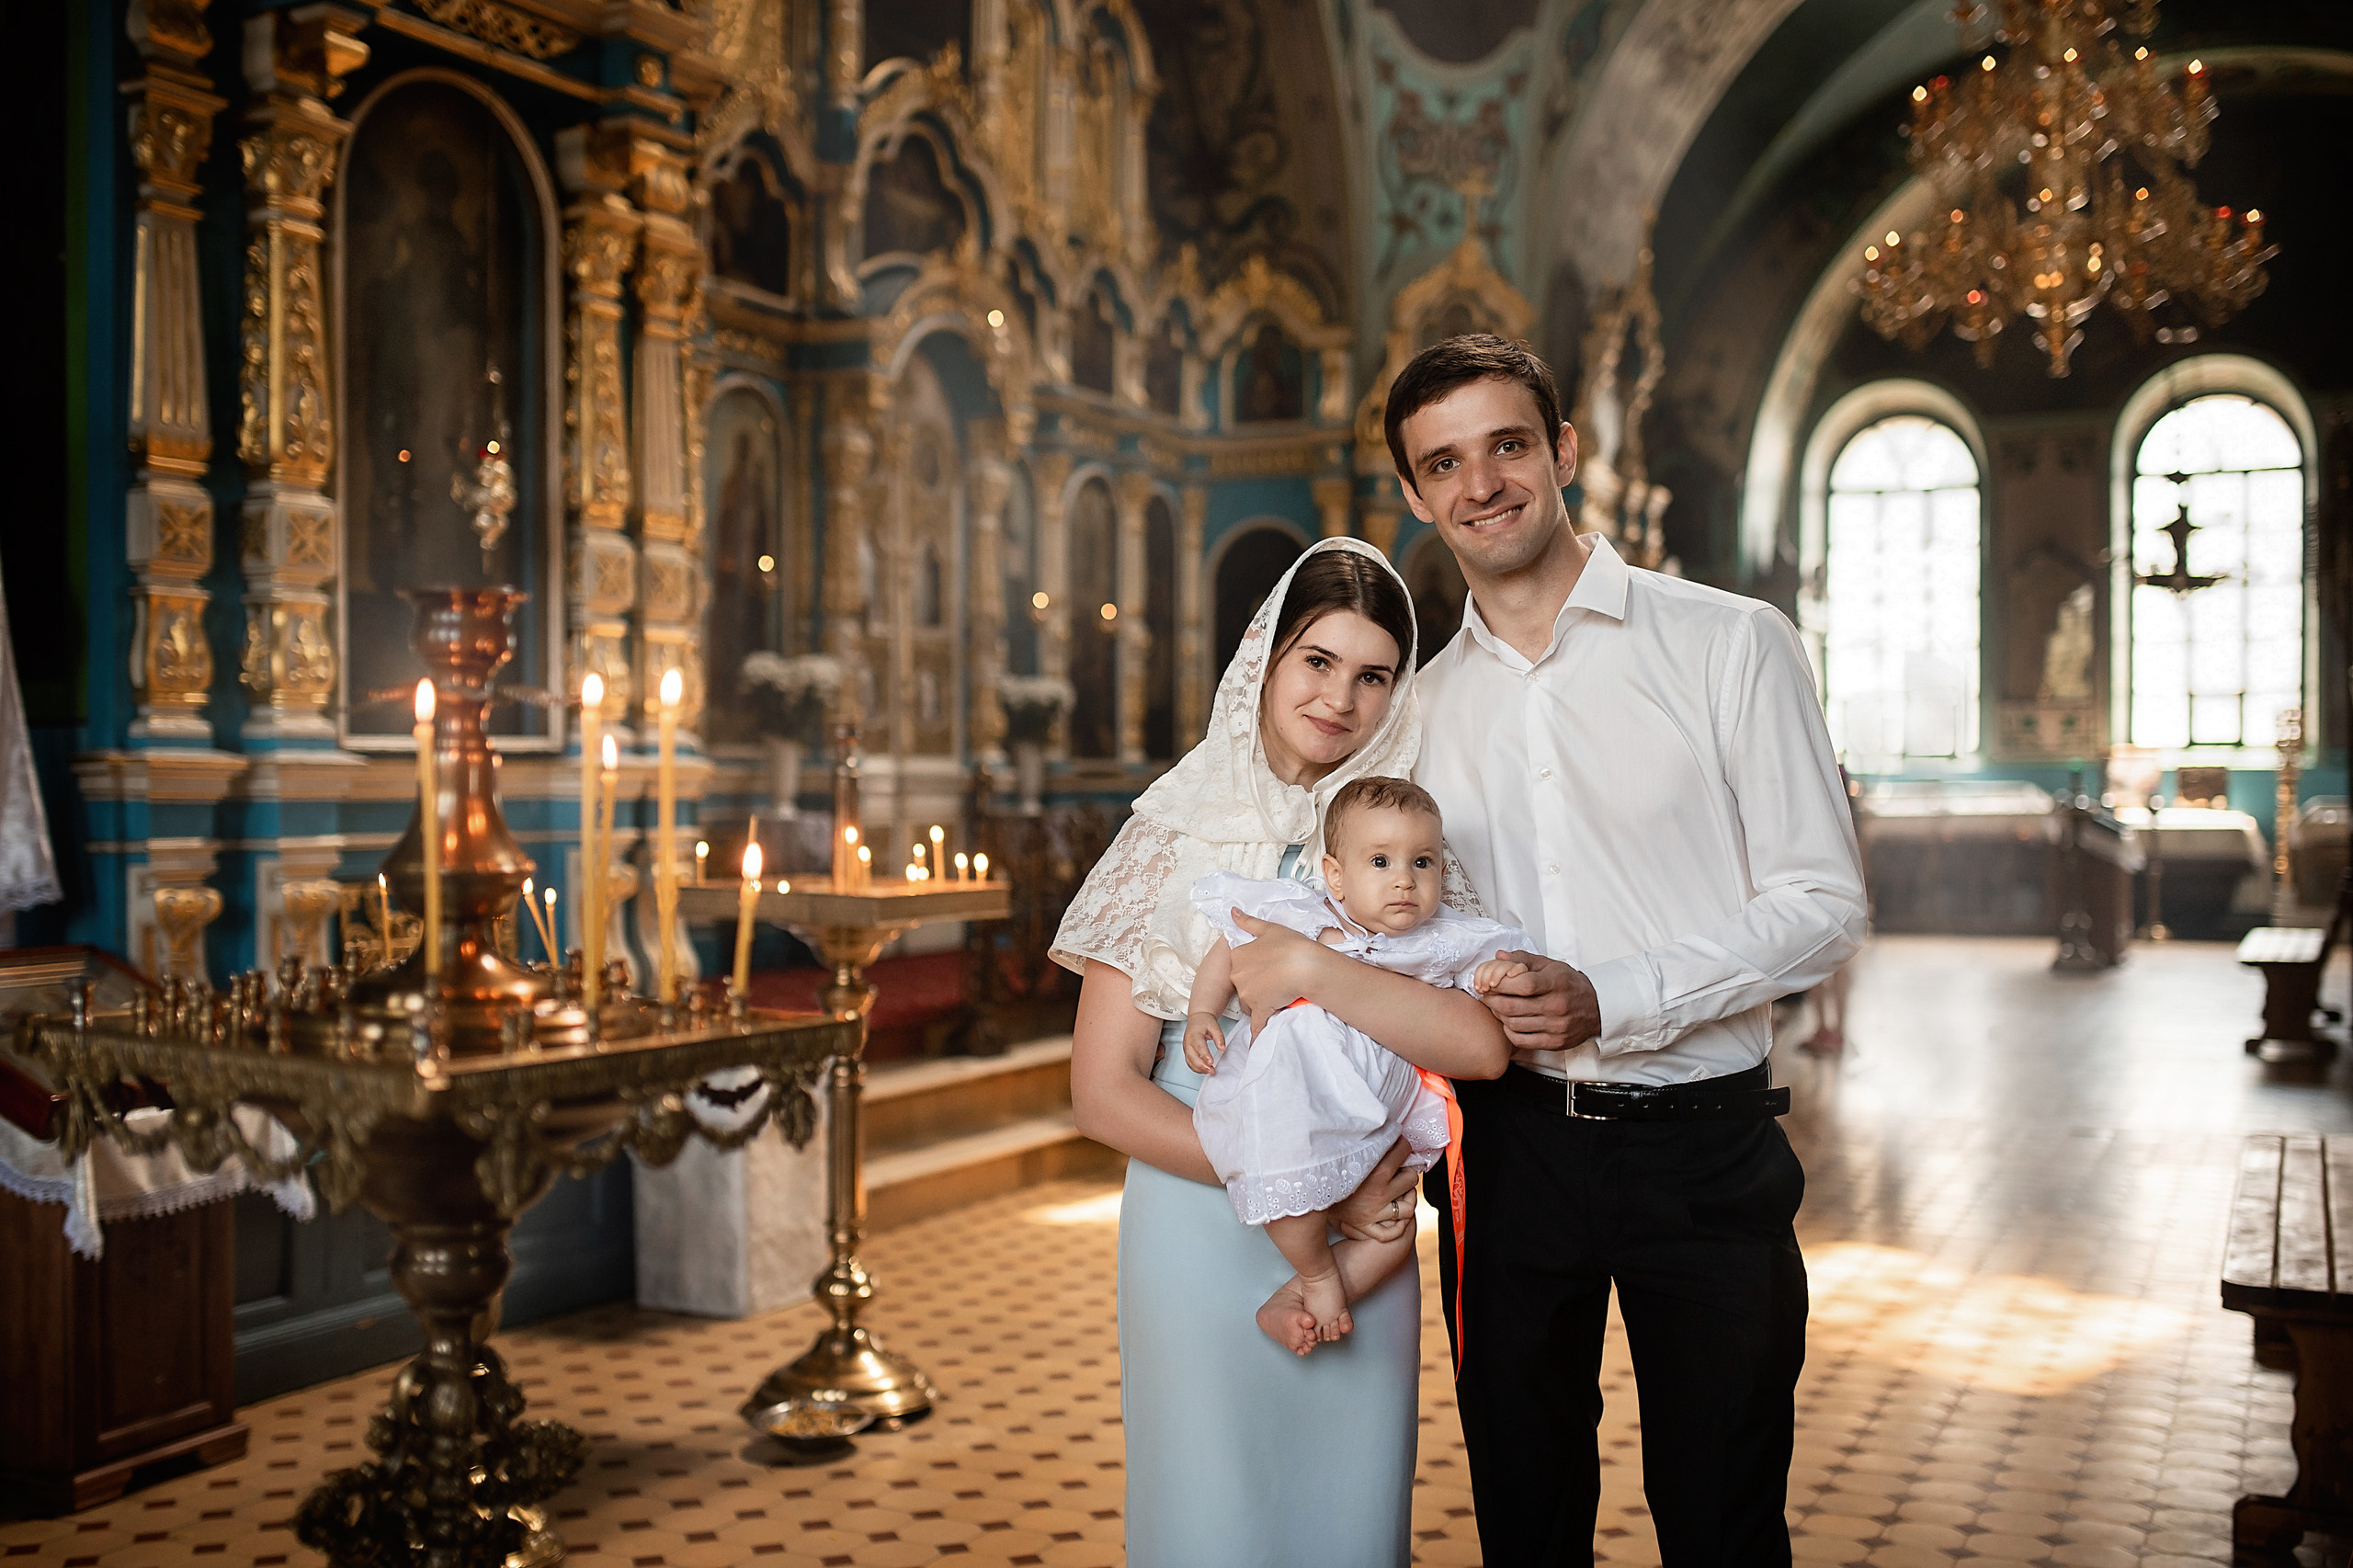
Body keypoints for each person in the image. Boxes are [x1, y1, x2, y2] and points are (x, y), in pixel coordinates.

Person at [1222, 335, 1867, 1566]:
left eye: (1508, 444)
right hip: (1502, 1159)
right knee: (1524, 1520)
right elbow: (1373, 939)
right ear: (1415, 495)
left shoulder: (1730, 643)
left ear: (1564, 450)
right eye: (1444, 462)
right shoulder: (1411, 713)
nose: (1483, 484)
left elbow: (1823, 899)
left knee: (1724, 1516)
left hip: (1705, 1147)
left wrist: (1611, 996)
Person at [1054, 540, 1510, 1568]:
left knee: (1343, 1521)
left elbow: (1480, 1045)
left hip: (1362, 1241)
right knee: (1209, 1514)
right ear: (1264, 656)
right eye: (1316, 659)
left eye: (1371, 674)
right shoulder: (1169, 830)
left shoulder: (1396, 836)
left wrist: (1315, 972)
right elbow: (1101, 1092)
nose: (1338, 696)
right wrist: (1306, 1187)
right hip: (1199, 1217)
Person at [1180, 775, 1533, 1354]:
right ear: (1335, 875)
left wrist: (1494, 977)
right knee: (1282, 1163)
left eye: (1423, 862)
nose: (1405, 880)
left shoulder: (1443, 937)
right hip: (1298, 1086)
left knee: (1395, 1229)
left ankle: (1297, 1293)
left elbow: (1484, 972)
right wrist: (1201, 1013)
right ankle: (1319, 1277)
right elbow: (1233, 947)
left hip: (1378, 1105)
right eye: (1380, 861)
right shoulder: (1302, 911)